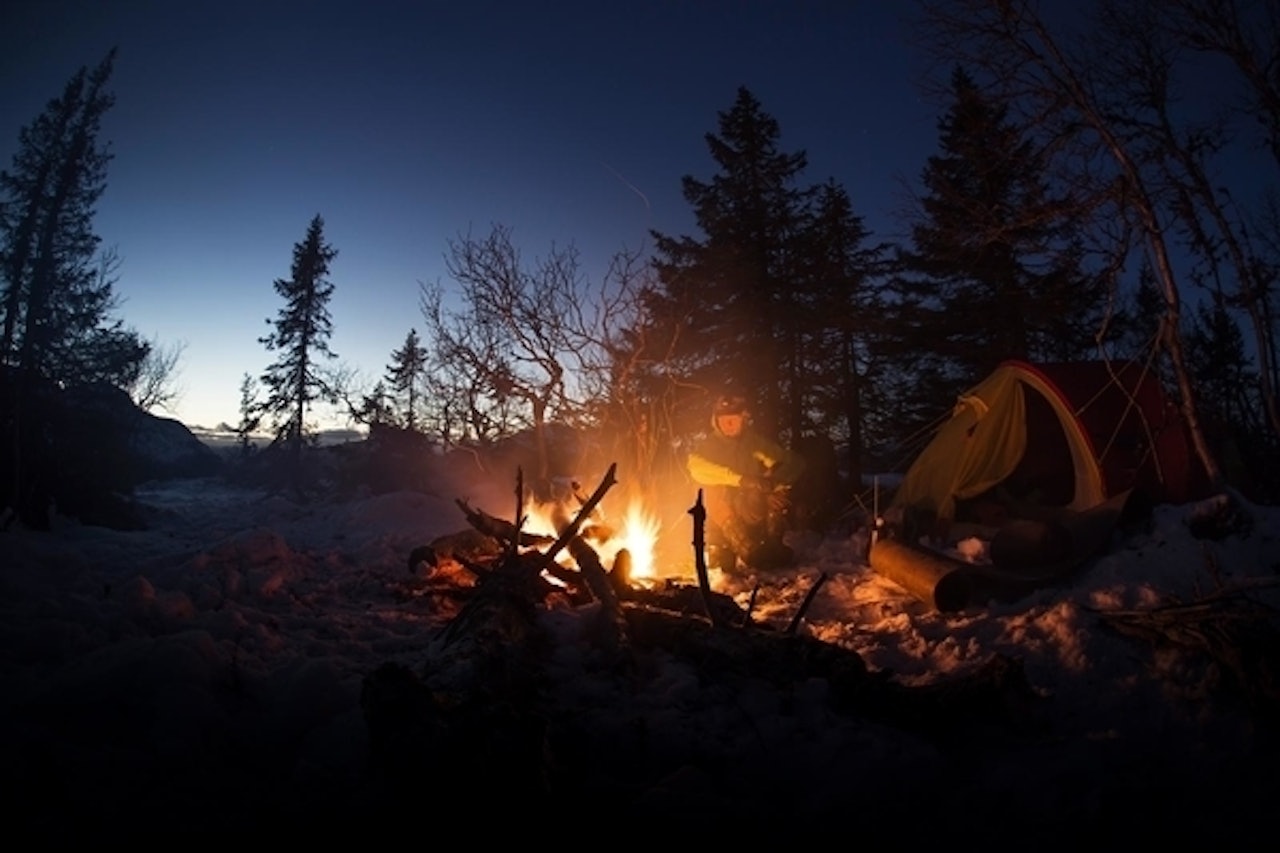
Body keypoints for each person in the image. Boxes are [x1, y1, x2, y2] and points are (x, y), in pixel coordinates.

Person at [686, 394, 806, 572]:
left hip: (749, 507)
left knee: (777, 488)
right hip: (721, 517)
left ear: (743, 420)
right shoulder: (709, 446)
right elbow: (696, 467)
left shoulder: (755, 444)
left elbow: (795, 463)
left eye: (733, 420)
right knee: (711, 488)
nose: (729, 425)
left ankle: (772, 544)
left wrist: (774, 484)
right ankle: (742, 547)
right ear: (716, 421)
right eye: (724, 420)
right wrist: (740, 480)